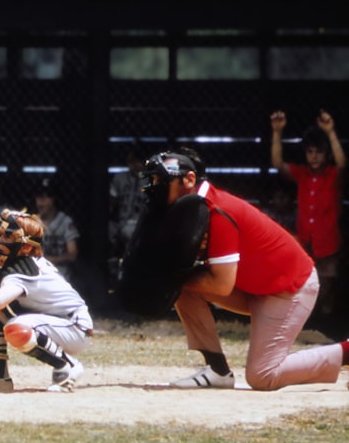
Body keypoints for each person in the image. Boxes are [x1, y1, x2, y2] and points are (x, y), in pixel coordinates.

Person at [139, 147, 349, 390]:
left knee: (262, 376)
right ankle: (217, 370)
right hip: (258, 286)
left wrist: (171, 279)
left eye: (162, 180)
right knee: (183, 286)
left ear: (189, 180)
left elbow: (222, 284)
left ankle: (346, 352)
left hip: (289, 288)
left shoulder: (215, 209)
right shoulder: (190, 210)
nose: (156, 187)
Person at [0, 208, 93, 393]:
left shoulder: (25, 268)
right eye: (1, 234)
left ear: (26, 247)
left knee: (17, 328)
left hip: (74, 326)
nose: (0, 240)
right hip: (54, 321)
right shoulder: (14, 262)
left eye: (8, 237)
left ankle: (68, 365)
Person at [270, 109, 346, 317]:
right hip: (305, 238)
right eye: (310, 152)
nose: (314, 156)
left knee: (328, 280)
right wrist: (277, 133)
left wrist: (330, 133)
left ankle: (327, 318)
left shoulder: (333, 175)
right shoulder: (301, 174)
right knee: (304, 280)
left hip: (328, 240)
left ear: (327, 154)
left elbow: (342, 163)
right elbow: (278, 164)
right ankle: (311, 318)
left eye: (319, 152)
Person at [34, 176, 80, 281]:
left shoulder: (65, 221)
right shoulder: (32, 222)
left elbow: (73, 254)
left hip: (59, 271)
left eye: (46, 196)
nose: (41, 200)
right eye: (39, 196)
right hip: (37, 271)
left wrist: (51, 260)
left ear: (54, 199)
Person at [108, 145, 146, 260]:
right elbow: (111, 202)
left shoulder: (151, 180)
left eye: (136, 162)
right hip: (121, 220)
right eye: (130, 162)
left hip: (140, 221)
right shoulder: (120, 178)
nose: (133, 166)